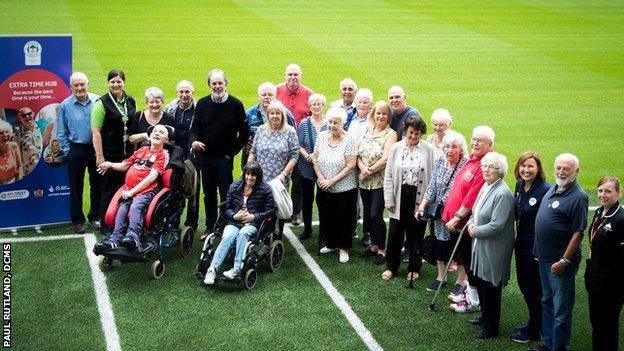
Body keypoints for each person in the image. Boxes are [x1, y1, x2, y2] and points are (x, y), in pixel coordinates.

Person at [530, 153, 588, 351]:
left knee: (561, 310)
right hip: (544, 259)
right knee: (547, 301)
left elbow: (578, 232)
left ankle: (560, 347)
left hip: (559, 264)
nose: (561, 172)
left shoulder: (578, 196)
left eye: (567, 169)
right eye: (558, 167)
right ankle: (548, 342)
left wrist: (564, 261)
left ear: (576, 171)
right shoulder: (554, 187)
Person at [189, 69, 249, 234]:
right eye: (214, 83)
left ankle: (224, 227)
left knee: (226, 195)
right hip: (206, 159)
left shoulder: (235, 104)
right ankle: (210, 227)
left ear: (225, 84)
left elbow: (244, 132)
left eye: (220, 83)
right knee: (208, 195)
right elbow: (195, 129)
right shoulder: (202, 104)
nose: (217, 86)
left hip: (224, 159)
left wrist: (232, 152)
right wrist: (194, 141)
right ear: (209, 85)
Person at [96, 124, 172, 251]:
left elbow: (152, 177)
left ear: (166, 140)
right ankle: (115, 239)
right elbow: (125, 165)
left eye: (161, 132)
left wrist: (132, 192)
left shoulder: (163, 154)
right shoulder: (141, 151)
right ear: (149, 135)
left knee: (135, 207)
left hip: (145, 191)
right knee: (122, 210)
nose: (157, 133)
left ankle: (133, 237)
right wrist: (109, 164)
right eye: (154, 131)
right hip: (129, 190)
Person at [445, 126, 495, 312]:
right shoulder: (472, 160)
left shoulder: (485, 165)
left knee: (470, 262)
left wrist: (457, 217)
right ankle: (470, 294)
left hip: (466, 225)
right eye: (473, 139)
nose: (474, 143)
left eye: (479, 141)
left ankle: (474, 300)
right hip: (458, 224)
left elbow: (471, 198)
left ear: (490, 145)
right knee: (465, 260)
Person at [465, 152, 515, 339]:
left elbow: (497, 225)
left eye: (491, 167)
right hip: (481, 244)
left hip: (494, 248)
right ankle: (485, 317)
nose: (486, 169)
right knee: (481, 281)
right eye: (484, 166)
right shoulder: (486, 186)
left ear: (500, 171)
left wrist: (474, 230)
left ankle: (491, 327)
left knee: (491, 286)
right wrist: (471, 223)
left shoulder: (502, 193)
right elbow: (475, 211)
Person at [381, 116, 434, 281]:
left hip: (418, 197)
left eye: (417, 134)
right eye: (411, 133)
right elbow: (388, 174)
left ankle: (414, 267)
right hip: (399, 195)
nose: (413, 137)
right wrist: (389, 199)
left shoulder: (429, 149)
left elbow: (431, 178)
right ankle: (391, 266)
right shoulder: (396, 148)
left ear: (421, 133)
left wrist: (426, 203)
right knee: (395, 233)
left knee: (416, 234)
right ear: (406, 131)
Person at [203, 161, 275, 284]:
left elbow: (269, 211)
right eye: (247, 174)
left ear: (258, 176)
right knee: (227, 236)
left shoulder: (265, 189)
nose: (249, 177)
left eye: (253, 175)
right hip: (235, 221)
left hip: (252, 223)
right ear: (244, 174)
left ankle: (236, 268)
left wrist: (253, 217)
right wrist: (234, 215)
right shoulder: (235, 186)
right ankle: (212, 269)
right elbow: (227, 208)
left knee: (243, 234)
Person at [416, 130, 468, 292]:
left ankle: (461, 280)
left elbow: (459, 191)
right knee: (440, 243)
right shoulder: (440, 161)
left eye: (454, 147)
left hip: (458, 214)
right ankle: (441, 276)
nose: (449, 150)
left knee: (459, 247)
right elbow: (432, 186)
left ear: (461, 149)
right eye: (447, 146)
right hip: (439, 214)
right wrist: (423, 206)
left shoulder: (465, 165)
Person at [509, 151, 550, 344]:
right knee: (525, 285)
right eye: (523, 166)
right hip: (521, 243)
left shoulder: (545, 190)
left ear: (538, 169)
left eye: (530, 166)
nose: (526, 170)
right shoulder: (519, 185)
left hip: (535, 247)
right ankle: (534, 322)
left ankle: (535, 329)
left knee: (534, 287)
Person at [91, 69, 137, 229]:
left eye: (119, 81)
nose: (116, 84)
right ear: (108, 83)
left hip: (128, 154)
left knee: (126, 188)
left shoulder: (130, 100)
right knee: (109, 189)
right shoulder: (101, 103)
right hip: (110, 154)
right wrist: (100, 156)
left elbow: (132, 126)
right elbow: (96, 131)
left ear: (124, 82)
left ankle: (121, 222)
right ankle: (105, 223)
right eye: (112, 82)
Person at [57, 72, 102, 233]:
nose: (80, 88)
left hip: (96, 148)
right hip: (76, 148)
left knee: (97, 183)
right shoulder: (65, 105)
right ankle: (77, 220)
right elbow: (61, 132)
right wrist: (68, 151)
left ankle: (95, 216)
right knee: (75, 186)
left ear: (88, 84)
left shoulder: (98, 101)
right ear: (71, 87)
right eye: (76, 85)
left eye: (82, 84)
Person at [313, 107, 358, 263]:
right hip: (324, 186)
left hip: (344, 187)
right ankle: (331, 243)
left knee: (343, 218)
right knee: (327, 215)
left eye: (336, 123)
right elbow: (315, 159)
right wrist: (321, 178)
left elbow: (350, 165)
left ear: (342, 123)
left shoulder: (350, 139)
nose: (332, 125)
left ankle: (343, 248)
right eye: (330, 122)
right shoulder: (321, 136)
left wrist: (331, 181)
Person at [248, 101, 299, 234]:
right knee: (261, 205)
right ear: (267, 115)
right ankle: (263, 234)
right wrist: (248, 169)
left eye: (278, 113)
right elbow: (253, 151)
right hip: (260, 177)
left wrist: (283, 174)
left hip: (279, 178)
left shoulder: (290, 131)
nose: (274, 116)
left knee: (277, 206)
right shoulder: (261, 130)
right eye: (272, 113)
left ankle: (276, 236)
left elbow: (294, 156)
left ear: (282, 115)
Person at [585, 176, 624, 351]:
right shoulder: (599, 212)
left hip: (612, 284)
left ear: (618, 193)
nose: (602, 195)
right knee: (597, 322)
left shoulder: (621, 219)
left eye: (608, 191)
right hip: (595, 278)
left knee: (608, 325)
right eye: (600, 190)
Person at [358, 101, 397, 265]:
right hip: (364, 181)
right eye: (378, 113)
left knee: (376, 214)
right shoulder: (367, 129)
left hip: (380, 181)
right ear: (373, 114)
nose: (380, 116)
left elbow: (386, 159)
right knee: (368, 214)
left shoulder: (391, 134)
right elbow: (358, 153)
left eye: (384, 114)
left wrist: (369, 170)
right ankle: (374, 245)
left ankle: (382, 249)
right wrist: (361, 167)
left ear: (388, 117)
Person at [276, 63, 313, 226]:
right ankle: (278, 208)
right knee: (279, 178)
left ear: (301, 75)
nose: (293, 77)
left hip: (299, 146)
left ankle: (296, 212)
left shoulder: (308, 94)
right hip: (278, 145)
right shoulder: (276, 91)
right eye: (290, 74)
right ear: (285, 75)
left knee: (298, 181)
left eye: (296, 75)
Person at [164, 80, 198, 230]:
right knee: (173, 189)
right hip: (174, 155)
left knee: (193, 189)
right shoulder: (170, 108)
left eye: (187, 92)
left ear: (192, 92)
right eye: (181, 92)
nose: (184, 95)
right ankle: (173, 221)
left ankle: (191, 223)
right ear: (177, 93)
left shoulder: (198, 109)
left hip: (192, 156)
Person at [296, 93, 327, 240]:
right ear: (309, 107)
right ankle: (307, 229)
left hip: (324, 169)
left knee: (322, 200)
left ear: (323, 106)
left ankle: (324, 230)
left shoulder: (329, 124)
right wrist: (307, 155)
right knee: (307, 199)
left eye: (319, 104)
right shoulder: (304, 123)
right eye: (313, 104)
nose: (316, 106)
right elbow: (299, 145)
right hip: (306, 166)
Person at [243, 82, 296, 168]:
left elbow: (294, 138)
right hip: (252, 160)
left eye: (270, 94)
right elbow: (241, 134)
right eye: (264, 95)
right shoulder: (249, 114)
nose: (267, 97)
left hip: (277, 162)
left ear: (275, 96)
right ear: (259, 97)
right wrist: (245, 145)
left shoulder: (286, 114)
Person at [14, 107, 43, 176]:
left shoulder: (43, 128)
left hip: (46, 168)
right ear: (19, 118)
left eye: (29, 114)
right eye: (23, 115)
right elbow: (18, 157)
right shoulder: (17, 136)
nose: (27, 117)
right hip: (30, 173)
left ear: (33, 114)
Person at [0, 120, 22, 184]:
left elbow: (20, 166)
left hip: (14, 182)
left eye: (7, 132)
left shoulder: (14, 146)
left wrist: (19, 183)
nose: (5, 135)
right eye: (1, 133)